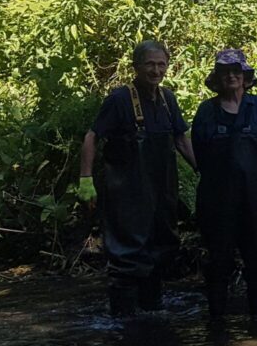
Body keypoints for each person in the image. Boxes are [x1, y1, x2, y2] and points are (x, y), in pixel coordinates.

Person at [78, 40, 196, 316]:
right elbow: (92, 136)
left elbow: (180, 139)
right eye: (150, 64)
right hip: (126, 194)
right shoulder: (119, 99)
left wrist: (203, 170)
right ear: (136, 67)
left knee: (160, 249)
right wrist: (85, 179)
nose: (156, 70)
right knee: (128, 255)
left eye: (161, 64)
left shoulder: (168, 99)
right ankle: (122, 323)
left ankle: (151, 314)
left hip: (161, 192)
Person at [191, 49, 257, 320]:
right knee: (218, 262)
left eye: (236, 72)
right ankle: (216, 322)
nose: (231, 76)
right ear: (217, 77)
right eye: (225, 72)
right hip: (217, 201)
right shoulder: (206, 111)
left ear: (245, 76)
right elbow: (200, 154)